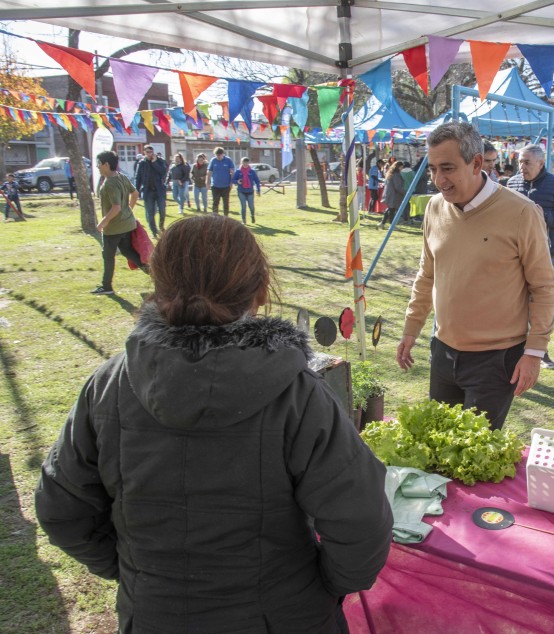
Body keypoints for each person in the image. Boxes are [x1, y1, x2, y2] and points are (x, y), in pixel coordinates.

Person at [35, 214, 393, 633]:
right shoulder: (300, 395)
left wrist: (137, 574)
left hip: (158, 615)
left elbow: (61, 509)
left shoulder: (108, 385)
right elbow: (363, 524)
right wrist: (323, 587)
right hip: (284, 617)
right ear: (259, 291)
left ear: (159, 283)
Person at [396, 121, 554, 429]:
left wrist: (535, 352)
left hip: (496, 362)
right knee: (437, 446)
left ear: (476, 163)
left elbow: (544, 288)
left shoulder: (522, 212)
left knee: (475, 465)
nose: (438, 180)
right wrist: (410, 329)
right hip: (442, 351)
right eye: (432, 169)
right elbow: (427, 274)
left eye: (447, 168)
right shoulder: (434, 208)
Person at [505, 144, 554, 369]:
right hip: (513, 254)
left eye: (526, 162)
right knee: (514, 304)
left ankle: (540, 352)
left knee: (540, 305)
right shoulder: (512, 183)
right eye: (519, 162)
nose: (521, 167)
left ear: (540, 163)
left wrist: (541, 215)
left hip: (543, 254)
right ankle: (512, 349)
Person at [90, 150, 148, 295]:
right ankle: (156, 275)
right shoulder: (121, 177)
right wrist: (128, 210)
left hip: (114, 228)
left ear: (106, 164)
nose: (97, 166)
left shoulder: (110, 183)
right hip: (127, 225)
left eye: (99, 163)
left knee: (108, 256)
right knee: (128, 251)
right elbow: (135, 194)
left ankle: (106, 286)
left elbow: (116, 207)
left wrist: (103, 222)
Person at [133, 144, 167, 239]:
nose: (149, 154)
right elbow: (138, 177)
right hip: (148, 191)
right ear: (144, 152)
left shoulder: (160, 161)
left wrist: (154, 162)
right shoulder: (142, 163)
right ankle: (154, 231)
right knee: (150, 213)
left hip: (159, 190)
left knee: (162, 211)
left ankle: (161, 226)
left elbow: (163, 172)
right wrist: (137, 190)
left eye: (151, 152)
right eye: (147, 152)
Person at [233, 157, 261, 224]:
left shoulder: (252, 171)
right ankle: (244, 219)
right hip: (241, 191)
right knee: (243, 206)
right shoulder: (238, 171)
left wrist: (258, 189)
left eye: (246, 162)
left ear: (248, 163)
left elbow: (257, 181)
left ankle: (252, 215)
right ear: (241, 163)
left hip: (250, 191)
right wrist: (237, 181)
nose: (245, 164)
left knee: (251, 205)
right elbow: (233, 180)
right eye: (243, 162)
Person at [380, 161, 407, 228]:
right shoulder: (396, 175)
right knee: (392, 210)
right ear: (398, 167)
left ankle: (382, 223)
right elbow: (397, 186)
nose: (402, 169)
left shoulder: (390, 173)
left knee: (390, 209)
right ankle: (392, 225)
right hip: (393, 194)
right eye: (401, 167)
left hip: (389, 193)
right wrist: (405, 192)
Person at [209, 147, 235, 216]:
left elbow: (232, 172)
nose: (218, 157)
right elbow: (209, 172)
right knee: (215, 203)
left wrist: (231, 183)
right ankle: (215, 218)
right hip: (215, 186)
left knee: (226, 203)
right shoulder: (213, 160)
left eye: (220, 155)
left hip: (226, 186)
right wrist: (207, 182)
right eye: (217, 155)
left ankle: (226, 218)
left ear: (223, 154)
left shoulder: (228, 160)